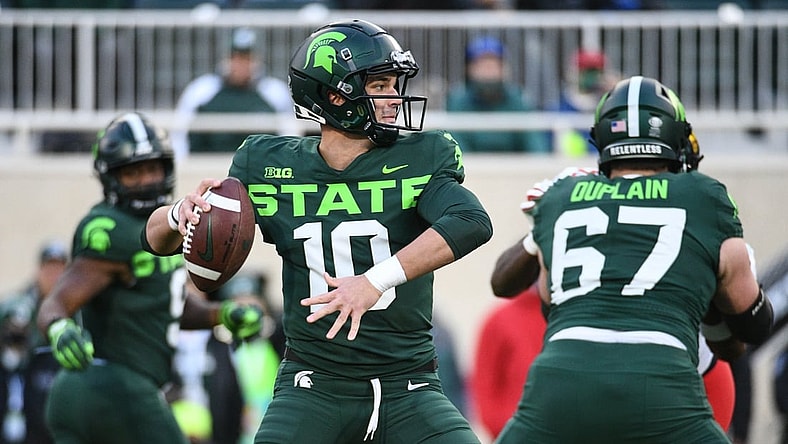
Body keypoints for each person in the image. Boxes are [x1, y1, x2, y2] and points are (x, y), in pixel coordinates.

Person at [143, 19, 493, 443]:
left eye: (393, 85)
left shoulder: (421, 156)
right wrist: (182, 213)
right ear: (335, 95)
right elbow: (155, 239)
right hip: (314, 386)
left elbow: (472, 222)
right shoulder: (267, 165)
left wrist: (372, 282)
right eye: (380, 86)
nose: (394, 99)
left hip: (410, 386)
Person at [495, 75, 773, 443]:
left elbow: (547, 305)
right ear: (673, 138)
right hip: (662, 383)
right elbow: (752, 330)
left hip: (562, 379)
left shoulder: (564, 194)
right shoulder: (703, 197)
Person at [34, 112, 264, 444]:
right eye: (133, 172)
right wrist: (58, 327)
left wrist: (220, 314)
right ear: (110, 177)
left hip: (103, 391)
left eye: (152, 168)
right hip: (112, 384)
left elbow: (165, 305)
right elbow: (57, 301)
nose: (146, 180)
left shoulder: (165, 230)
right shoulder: (107, 228)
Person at [170, 27, 299, 160]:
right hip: (209, 167)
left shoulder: (275, 92)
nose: (241, 64)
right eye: (236, 58)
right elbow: (180, 133)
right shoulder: (202, 90)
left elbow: (290, 135)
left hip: (260, 170)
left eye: (247, 58)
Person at [0, 240, 68, 444]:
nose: (53, 276)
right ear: (38, 271)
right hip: (22, 386)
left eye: (59, 269)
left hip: (54, 381)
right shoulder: (20, 305)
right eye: (48, 269)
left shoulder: (75, 306)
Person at [445, 35, 550, 153]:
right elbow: (457, 147)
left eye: (494, 65)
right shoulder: (458, 101)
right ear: (469, 69)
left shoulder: (518, 100)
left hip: (515, 168)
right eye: (482, 66)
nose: (489, 72)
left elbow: (534, 144)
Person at [554, 49, 620, 157]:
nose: (592, 77)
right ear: (573, 73)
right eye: (586, 71)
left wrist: (617, 93)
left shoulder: (610, 107)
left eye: (597, 71)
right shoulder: (558, 109)